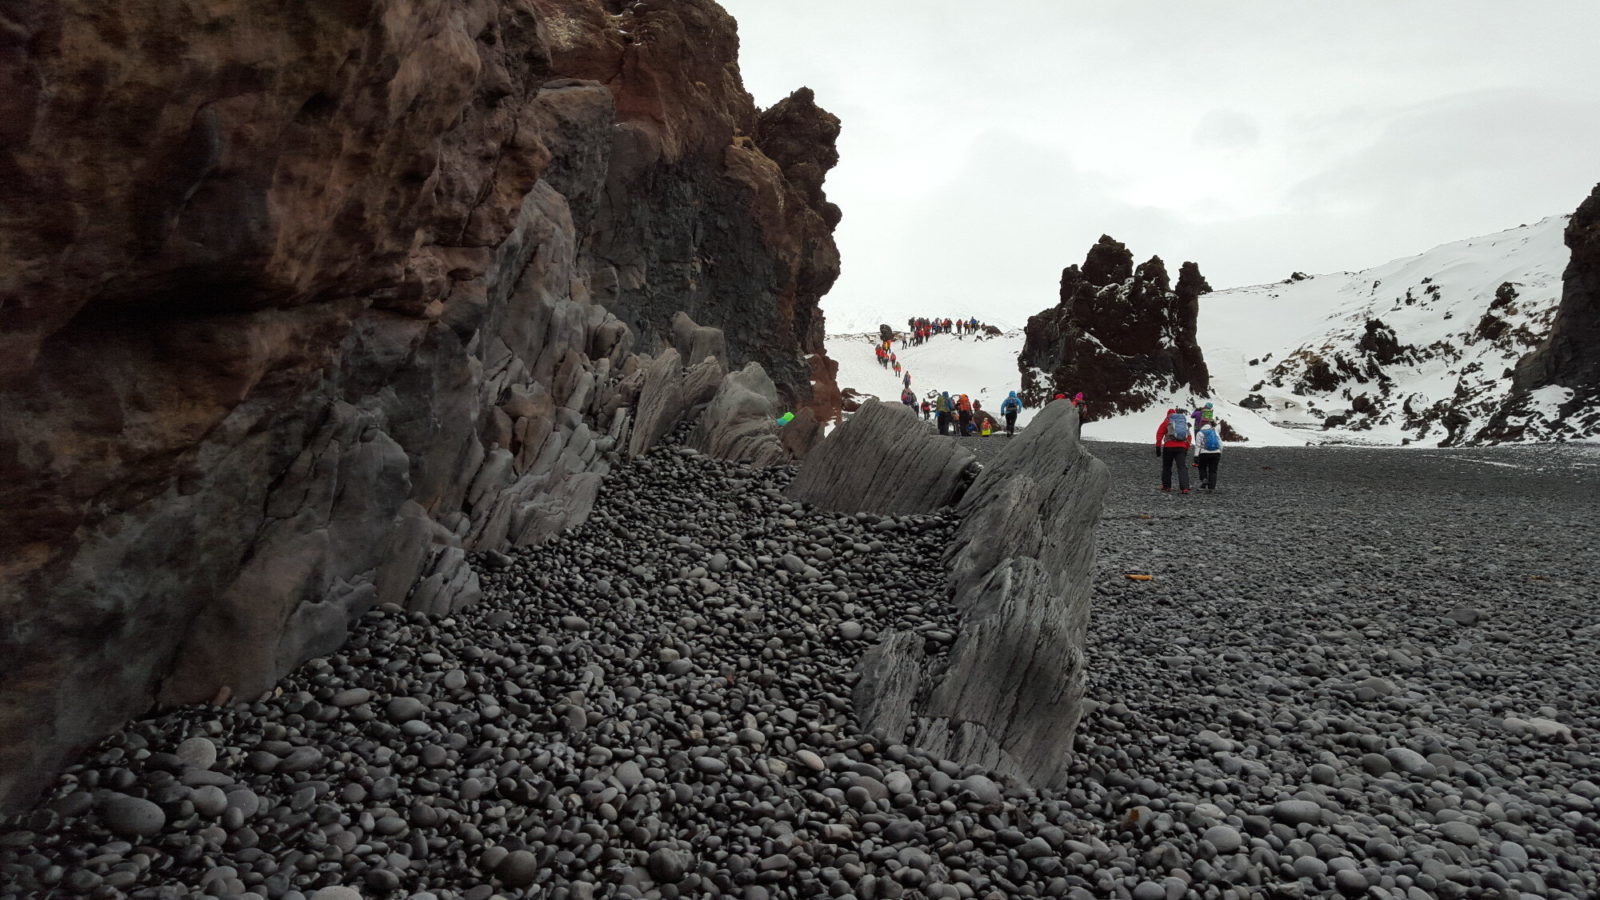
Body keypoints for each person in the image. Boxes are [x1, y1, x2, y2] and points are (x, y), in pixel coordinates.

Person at [1155, 408, 1192, 494]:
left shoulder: (1166, 422)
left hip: (1168, 447)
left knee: (1167, 467)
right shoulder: (1182, 423)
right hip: (1181, 447)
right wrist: (1186, 447)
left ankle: (1167, 486)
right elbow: (1189, 436)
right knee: (1182, 467)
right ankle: (1185, 487)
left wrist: (1158, 447)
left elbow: (1159, 434)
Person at [1194, 419, 1222, 491]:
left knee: (1202, 467)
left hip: (1204, 453)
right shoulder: (1214, 431)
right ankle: (1211, 487)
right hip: (1216, 453)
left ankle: (1204, 479)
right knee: (1213, 470)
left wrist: (1196, 455)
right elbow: (1220, 442)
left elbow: (1198, 445)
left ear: (1201, 425)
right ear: (1209, 424)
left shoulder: (1200, 433)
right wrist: (1220, 452)